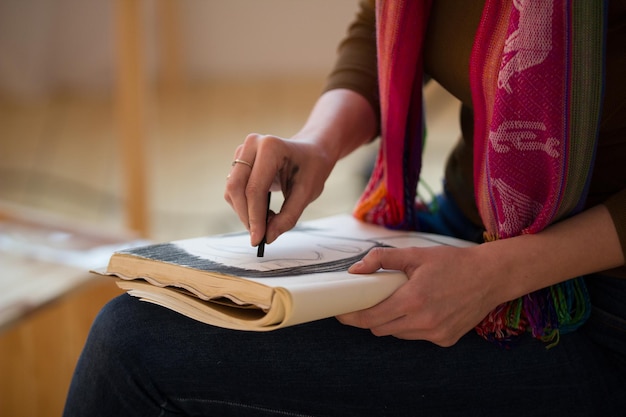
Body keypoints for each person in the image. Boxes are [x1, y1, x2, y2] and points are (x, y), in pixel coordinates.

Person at [64, 1, 625, 415]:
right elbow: (379, 26)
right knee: (152, 321)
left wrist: (497, 275)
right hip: (465, 230)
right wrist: (317, 143)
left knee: (132, 345)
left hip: (593, 309)